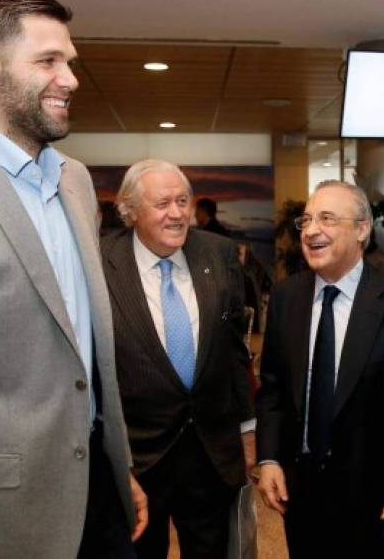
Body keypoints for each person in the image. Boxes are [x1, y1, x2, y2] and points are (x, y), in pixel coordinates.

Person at [0, 0, 147, 558]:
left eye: (69, 61)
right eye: (48, 61)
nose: (70, 78)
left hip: (99, 497)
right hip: (2, 523)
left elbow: (81, 356)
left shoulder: (76, 180)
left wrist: (121, 471)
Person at [101, 159, 256, 558]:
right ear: (130, 210)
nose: (177, 213)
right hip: (139, 458)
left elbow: (233, 348)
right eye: (162, 203)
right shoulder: (101, 261)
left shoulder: (219, 254)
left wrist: (248, 427)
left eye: (183, 201)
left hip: (210, 451)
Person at [256, 180, 384, 558]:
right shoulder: (286, 297)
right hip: (303, 490)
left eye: (327, 218)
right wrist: (269, 458)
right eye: (307, 220)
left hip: (375, 498)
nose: (311, 230)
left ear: (362, 229)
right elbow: (273, 388)